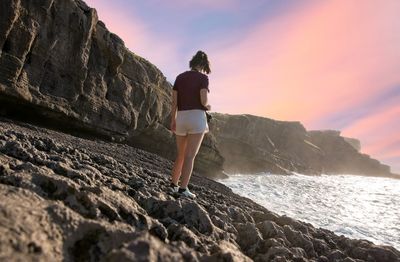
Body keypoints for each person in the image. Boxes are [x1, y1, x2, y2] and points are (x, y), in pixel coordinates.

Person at [169, 50, 211, 198]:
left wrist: (172, 120)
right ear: (203, 65)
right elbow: (203, 100)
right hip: (196, 118)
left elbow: (174, 102)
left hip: (181, 117)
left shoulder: (179, 77)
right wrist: (208, 106)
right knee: (190, 156)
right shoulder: (203, 78)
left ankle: (173, 185)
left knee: (180, 155)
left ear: (192, 63)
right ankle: (183, 189)